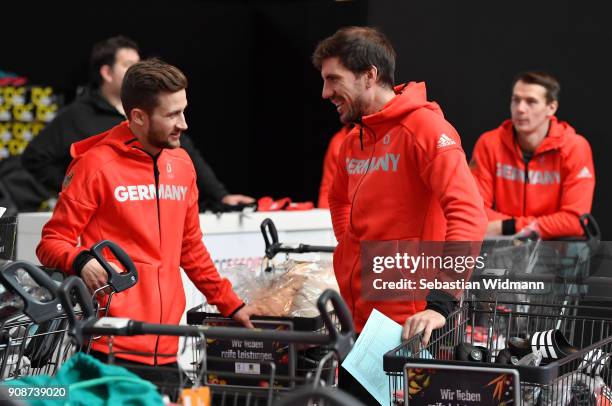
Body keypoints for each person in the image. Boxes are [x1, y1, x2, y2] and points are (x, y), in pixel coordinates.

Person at [36, 59, 257, 371]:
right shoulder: (95, 165)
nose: (184, 123)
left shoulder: (182, 164)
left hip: (167, 345)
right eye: (172, 114)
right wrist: (81, 260)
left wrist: (231, 305)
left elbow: (190, 249)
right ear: (138, 117)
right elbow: (51, 242)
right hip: (109, 348)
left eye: (183, 110)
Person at [312, 27, 487, 402]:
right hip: (359, 323)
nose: (325, 93)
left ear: (370, 75)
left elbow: (469, 213)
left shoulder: (424, 128)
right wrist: (352, 252)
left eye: (333, 80)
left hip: (406, 331)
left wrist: (442, 301)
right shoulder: (353, 139)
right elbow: (338, 199)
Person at [21, 35, 254, 211]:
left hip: (154, 208)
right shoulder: (77, 115)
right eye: (127, 64)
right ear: (107, 72)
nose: (136, 69)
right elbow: (34, 156)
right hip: (107, 220)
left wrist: (220, 195)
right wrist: (77, 188)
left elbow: (187, 151)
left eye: (138, 62)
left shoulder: (154, 106)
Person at [470, 71, 595, 239]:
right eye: (516, 100)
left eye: (531, 102)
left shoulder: (575, 147)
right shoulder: (489, 143)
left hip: (555, 253)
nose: (520, 109)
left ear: (551, 108)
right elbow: (474, 210)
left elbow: (574, 220)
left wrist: (509, 226)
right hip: (501, 251)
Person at [318, 124, 352, 208]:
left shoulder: (386, 137)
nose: (338, 109)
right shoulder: (337, 141)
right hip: (344, 212)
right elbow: (328, 186)